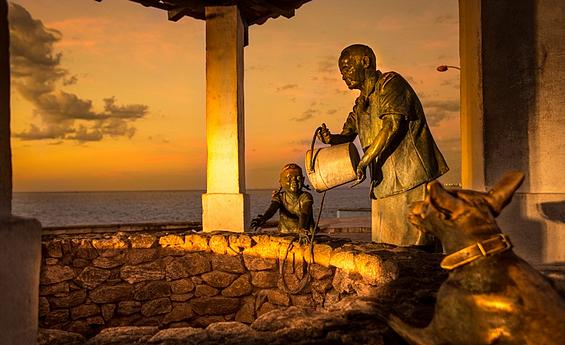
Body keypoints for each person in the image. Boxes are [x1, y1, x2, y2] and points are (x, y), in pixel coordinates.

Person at [318, 44, 448, 248]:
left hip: (409, 176)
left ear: (365, 62)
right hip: (383, 181)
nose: (343, 75)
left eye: (346, 68)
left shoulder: (390, 83)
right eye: (341, 71)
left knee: (413, 242)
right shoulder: (361, 102)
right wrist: (330, 139)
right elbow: (347, 135)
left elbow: (392, 126)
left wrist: (364, 161)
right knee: (386, 244)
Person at [251, 163, 315, 237]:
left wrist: (302, 229)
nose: (294, 181)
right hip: (284, 232)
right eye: (289, 178)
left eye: (298, 178)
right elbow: (272, 209)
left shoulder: (306, 197)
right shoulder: (280, 197)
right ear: (281, 182)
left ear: (303, 180)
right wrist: (263, 219)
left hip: (305, 233)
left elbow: (304, 213)